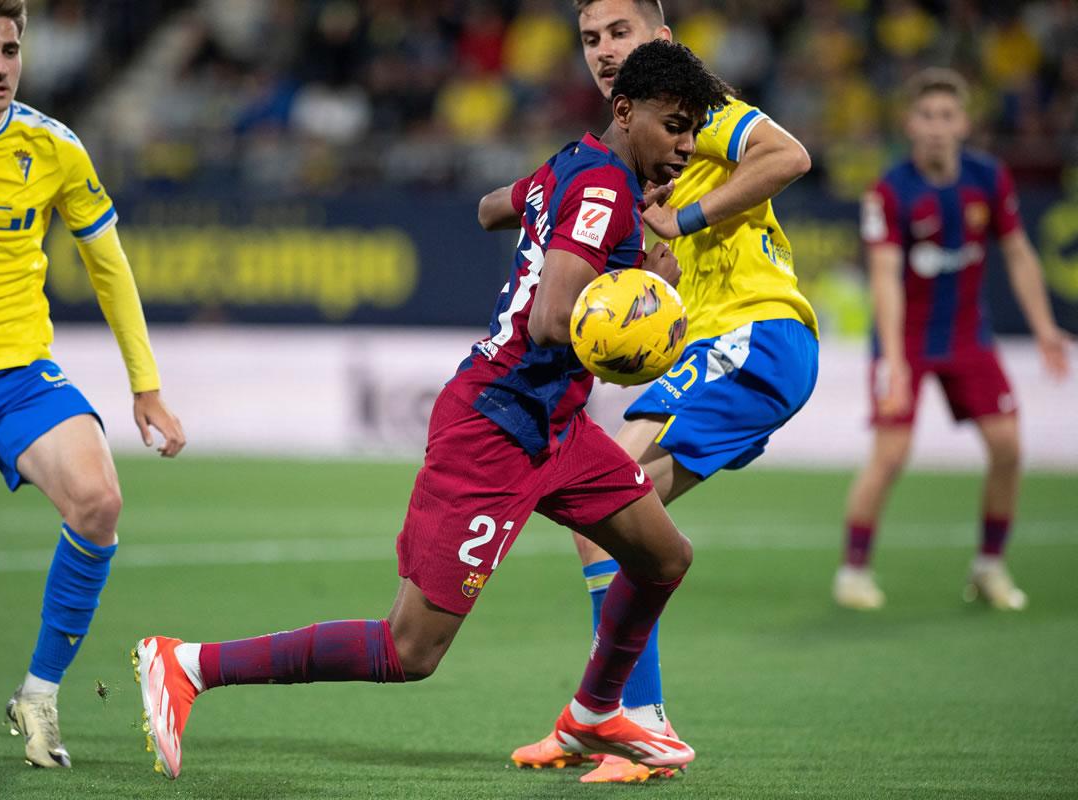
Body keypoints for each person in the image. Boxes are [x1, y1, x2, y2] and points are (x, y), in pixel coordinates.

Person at [132, 40, 730, 783]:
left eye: (693, 131)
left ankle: (597, 711)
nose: (685, 147)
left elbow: (489, 209)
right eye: (674, 126)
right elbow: (551, 320)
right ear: (625, 111)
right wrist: (645, 286)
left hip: (555, 427)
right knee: (408, 650)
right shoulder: (606, 190)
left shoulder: (572, 165)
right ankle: (190, 665)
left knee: (664, 555)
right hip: (497, 428)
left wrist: (547, 220)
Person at [492, 0, 818, 783]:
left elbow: (790, 156)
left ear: (662, 40)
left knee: (605, 494)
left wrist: (687, 219)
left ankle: (632, 722)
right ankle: (615, 720)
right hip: (718, 344)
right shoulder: (633, 149)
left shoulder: (703, 112)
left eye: (621, 34)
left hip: (755, 331)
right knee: (611, 524)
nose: (605, 52)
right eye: (592, 40)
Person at [0, 0, 185, 769]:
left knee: (100, 500)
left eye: (11, 47)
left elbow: (108, 265)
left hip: (18, 374)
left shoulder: (53, 147)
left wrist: (144, 386)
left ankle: (39, 696)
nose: (1, 64)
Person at [834, 67, 1070, 611]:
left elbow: (1017, 253)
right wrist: (891, 358)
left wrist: (1043, 328)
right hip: (906, 340)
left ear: (964, 122)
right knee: (890, 454)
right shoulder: (890, 190)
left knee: (1009, 447)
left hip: (968, 336)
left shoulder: (988, 178)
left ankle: (988, 567)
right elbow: (886, 276)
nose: (937, 127)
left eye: (946, 116)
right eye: (926, 116)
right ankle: (853, 570)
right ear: (909, 123)